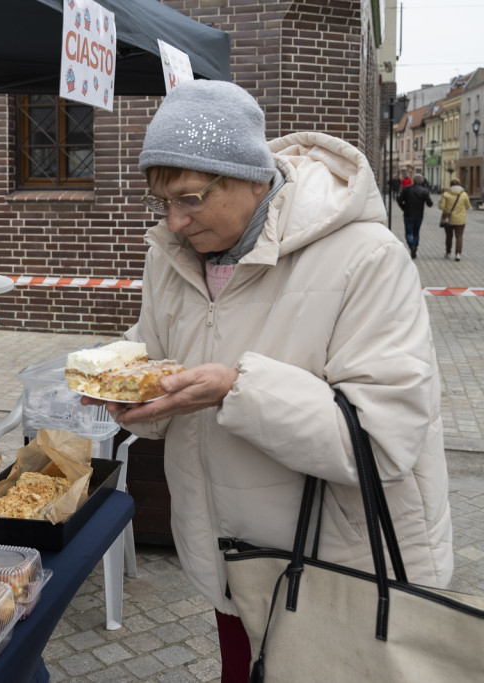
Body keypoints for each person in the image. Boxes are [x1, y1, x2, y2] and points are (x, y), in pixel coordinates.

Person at [83, 80, 453, 682]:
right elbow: (161, 352)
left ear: (251, 178)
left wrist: (237, 388)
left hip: (344, 569)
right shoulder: (171, 257)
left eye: (192, 198)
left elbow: (383, 442)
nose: (174, 222)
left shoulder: (366, 257)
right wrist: (124, 381)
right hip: (232, 562)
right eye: (162, 203)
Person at [396, 172, 432, 258]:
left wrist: (403, 207)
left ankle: (411, 245)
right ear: (422, 181)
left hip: (408, 214)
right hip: (419, 215)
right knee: (416, 233)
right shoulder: (424, 191)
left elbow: (399, 200)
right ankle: (415, 246)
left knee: (408, 233)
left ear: (413, 180)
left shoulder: (407, 189)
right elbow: (430, 204)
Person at [439, 177, 471, 261]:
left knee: (449, 236)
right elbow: (468, 206)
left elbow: (441, 207)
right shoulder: (464, 194)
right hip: (460, 220)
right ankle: (458, 254)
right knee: (459, 236)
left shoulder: (446, 194)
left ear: (450, 184)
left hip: (448, 219)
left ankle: (448, 252)